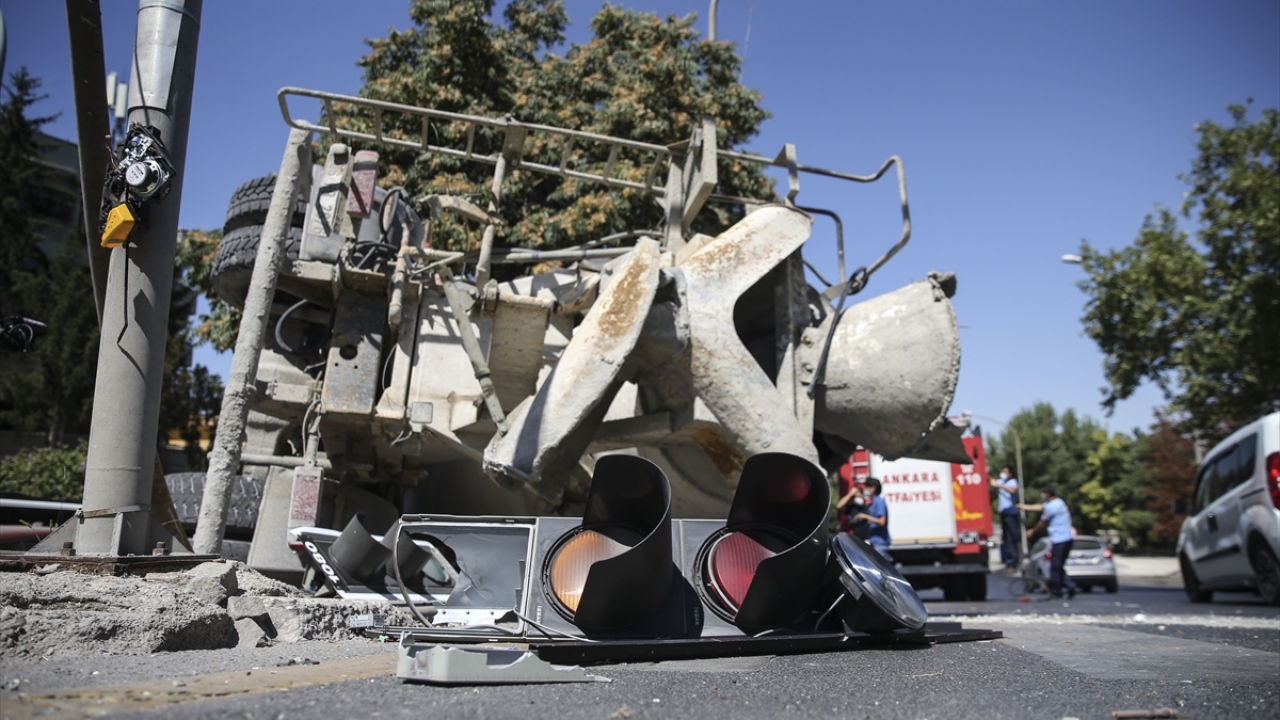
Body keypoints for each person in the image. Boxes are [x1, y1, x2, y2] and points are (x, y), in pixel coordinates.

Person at [1018, 487, 1078, 599]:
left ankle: (1057, 591)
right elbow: (1041, 507)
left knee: (1055, 567)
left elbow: (1042, 522)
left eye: (1044, 493)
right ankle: (1070, 586)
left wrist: (1032, 531)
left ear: (1048, 494)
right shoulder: (1059, 502)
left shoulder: (1051, 507)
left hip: (1059, 540)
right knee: (1058, 566)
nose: (1043, 495)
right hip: (1067, 538)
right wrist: (1023, 507)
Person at [989, 466, 1021, 572]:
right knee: (1005, 538)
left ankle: (1014, 562)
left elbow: (1012, 490)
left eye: (1005, 472)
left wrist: (1000, 485)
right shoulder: (1002, 481)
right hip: (1003, 512)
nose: (1003, 473)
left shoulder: (1012, 482)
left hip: (1010, 512)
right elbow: (992, 481)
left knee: (1012, 538)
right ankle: (1007, 561)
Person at [851, 477, 890, 555]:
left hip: (880, 543)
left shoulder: (879, 501)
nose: (865, 489)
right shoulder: (873, 502)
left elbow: (882, 521)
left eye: (867, 487)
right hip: (874, 541)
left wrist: (865, 517)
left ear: (873, 488)